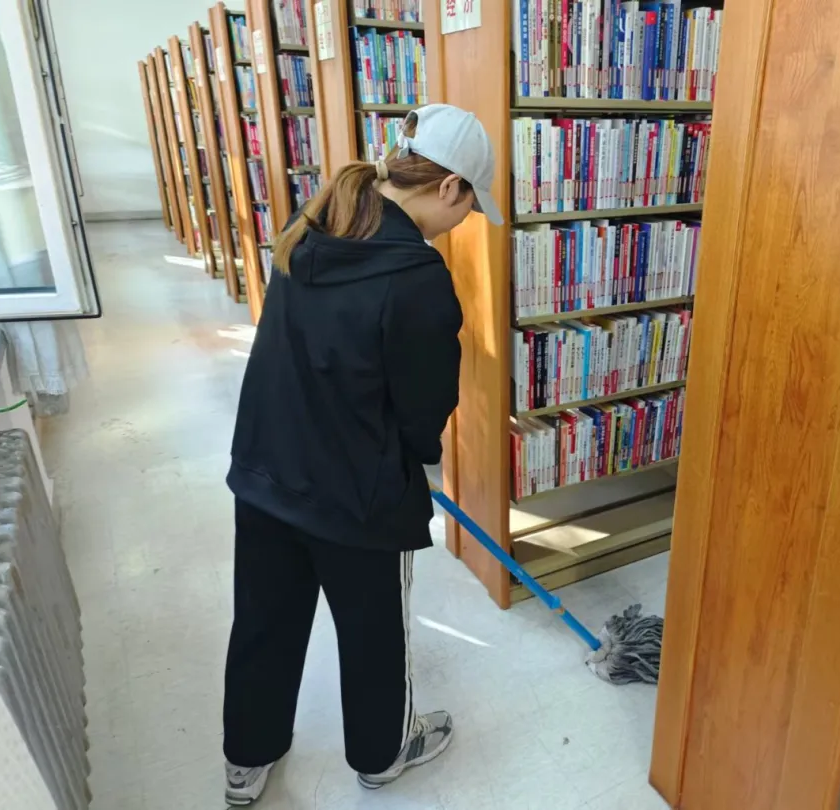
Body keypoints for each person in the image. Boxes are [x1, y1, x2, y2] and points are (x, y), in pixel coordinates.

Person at [221, 104, 503, 806]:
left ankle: (246, 760)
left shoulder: (312, 223)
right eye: (468, 207)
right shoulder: (418, 277)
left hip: (266, 472)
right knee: (374, 633)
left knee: (263, 620)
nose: (461, 222)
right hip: (358, 499)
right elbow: (423, 408)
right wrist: (416, 462)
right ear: (448, 187)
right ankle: (382, 754)